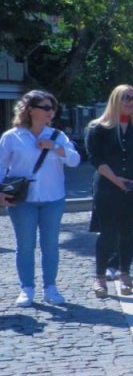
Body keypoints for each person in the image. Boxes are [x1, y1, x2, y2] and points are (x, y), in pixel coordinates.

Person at [1, 90, 79, 306]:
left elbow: (75, 160)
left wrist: (55, 148)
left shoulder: (57, 136)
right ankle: (27, 288)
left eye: (53, 108)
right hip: (22, 200)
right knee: (25, 245)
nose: (50, 112)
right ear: (31, 110)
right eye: (46, 107)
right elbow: (0, 165)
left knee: (50, 245)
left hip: (53, 198)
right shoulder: (12, 136)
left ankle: (50, 287)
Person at [87, 85, 133, 297]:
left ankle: (125, 273)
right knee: (107, 233)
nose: (131, 102)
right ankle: (100, 276)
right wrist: (117, 180)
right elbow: (95, 158)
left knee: (128, 232)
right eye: (126, 98)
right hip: (108, 187)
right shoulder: (98, 128)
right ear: (116, 99)